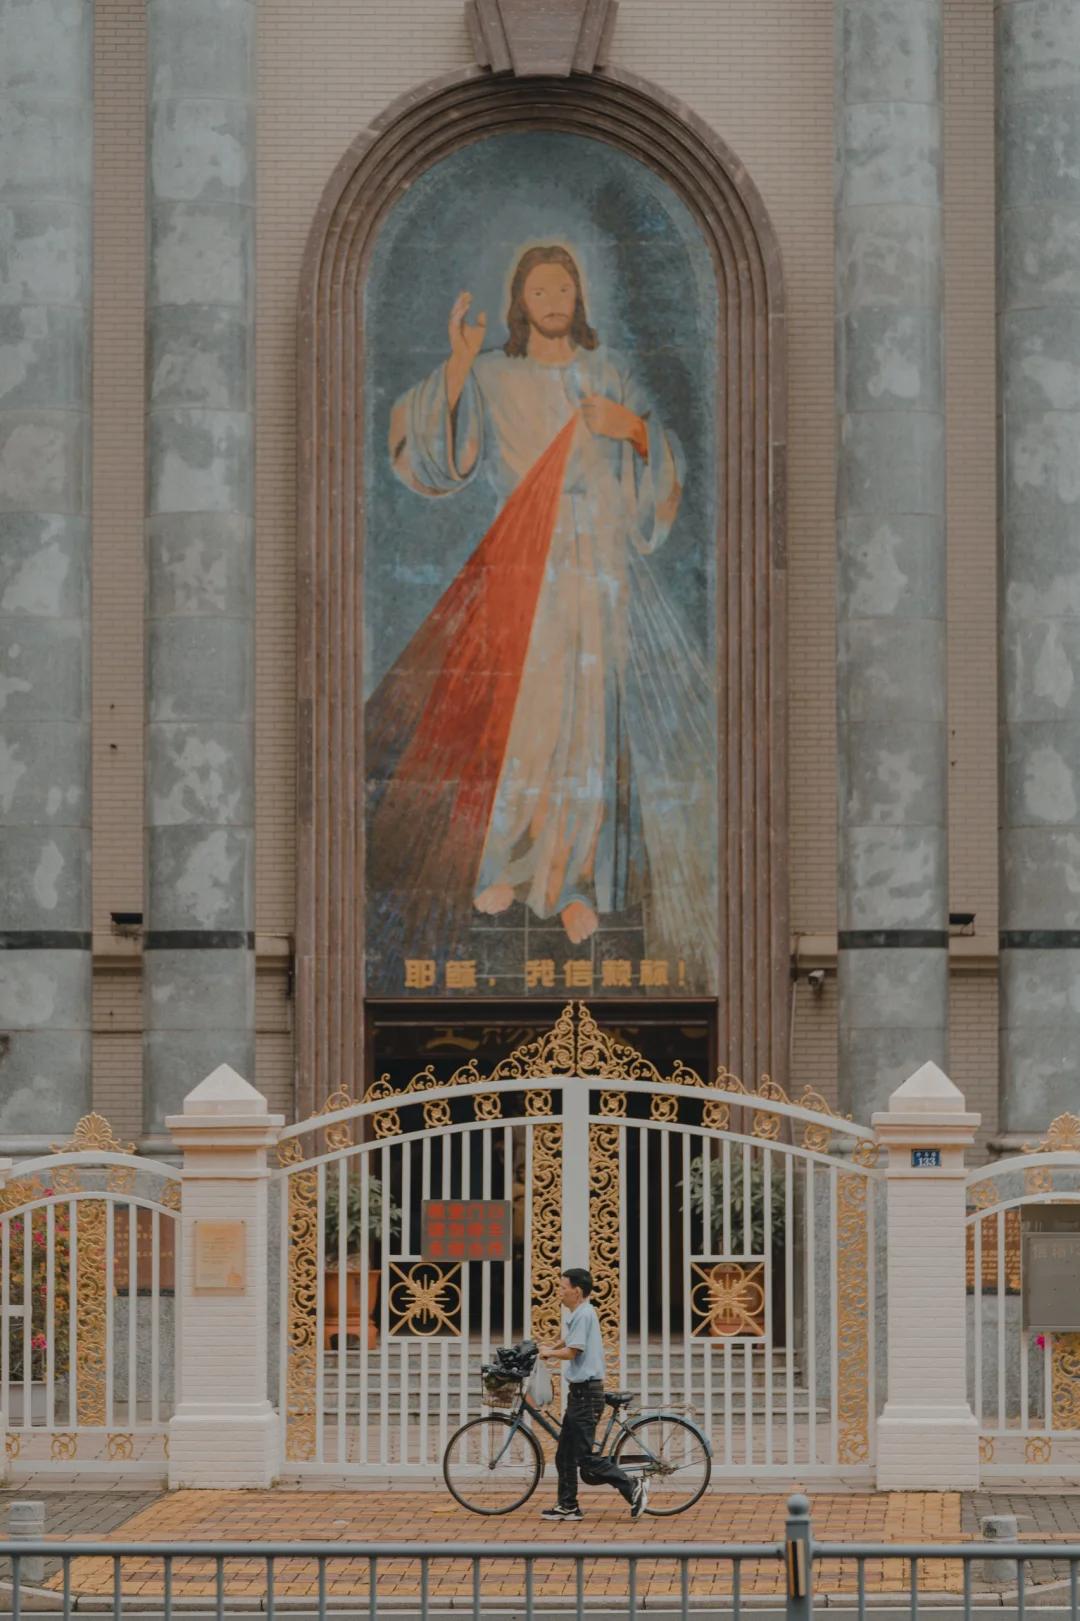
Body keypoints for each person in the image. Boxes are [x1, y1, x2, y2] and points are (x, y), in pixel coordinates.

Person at [368, 243, 715, 979]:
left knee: (588, 728)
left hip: (599, 567)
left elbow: (662, 467)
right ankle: (504, 864)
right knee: (524, 716)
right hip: (524, 559)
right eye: (539, 289)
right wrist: (459, 362)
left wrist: (633, 430)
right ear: (520, 303)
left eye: (564, 287)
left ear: (578, 296)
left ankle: (575, 884)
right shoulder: (494, 374)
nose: (554, 299)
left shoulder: (610, 372)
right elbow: (430, 454)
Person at [539, 1266, 648, 1521]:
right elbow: (568, 1340)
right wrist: (547, 1347)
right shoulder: (581, 1313)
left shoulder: (584, 1314)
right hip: (580, 1394)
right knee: (564, 1455)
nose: (559, 1292)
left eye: (563, 1288)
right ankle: (568, 1505)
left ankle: (632, 1486)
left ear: (576, 1291)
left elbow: (573, 1350)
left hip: (586, 1395)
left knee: (583, 1457)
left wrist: (550, 1353)